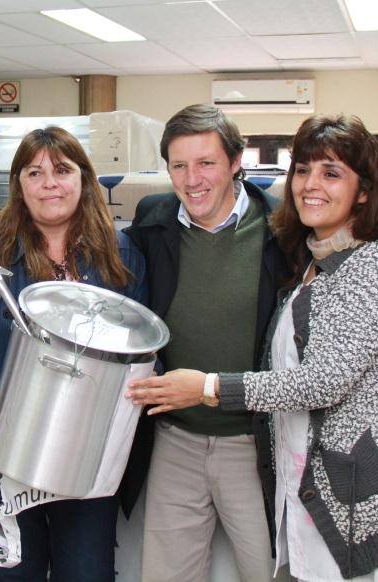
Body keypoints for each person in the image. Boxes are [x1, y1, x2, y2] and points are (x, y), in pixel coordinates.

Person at [128, 114, 378, 581]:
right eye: (302, 171)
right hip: (280, 458)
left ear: (365, 190)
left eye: (331, 173)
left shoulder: (369, 264)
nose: (311, 185)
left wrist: (208, 387)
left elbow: (322, 382)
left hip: (354, 484)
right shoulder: (317, 257)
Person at [0, 126, 147, 581]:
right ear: (19, 184)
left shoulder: (122, 256)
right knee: (13, 573)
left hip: (87, 456)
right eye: (35, 172)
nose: (50, 183)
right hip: (3, 448)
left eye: (63, 170)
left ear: (83, 180)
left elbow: (145, 352)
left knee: (86, 572)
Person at [120, 103, 285, 581]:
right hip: (177, 439)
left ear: (236, 163)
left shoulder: (279, 231)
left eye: (206, 163)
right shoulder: (154, 221)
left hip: (252, 442)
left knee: (269, 569)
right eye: (179, 165)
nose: (192, 179)